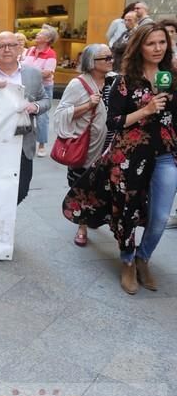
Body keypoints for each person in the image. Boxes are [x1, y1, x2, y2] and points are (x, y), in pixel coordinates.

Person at [63, 23, 176, 295]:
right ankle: (127, 261)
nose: (158, 48)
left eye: (162, 42)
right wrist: (146, 110)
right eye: (151, 43)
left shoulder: (172, 77)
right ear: (140, 47)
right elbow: (113, 120)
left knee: (160, 216)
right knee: (127, 211)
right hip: (129, 157)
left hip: (165, 155)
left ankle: (143, 257)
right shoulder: (124, 81)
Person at [0, 32, 50, 205]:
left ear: (20, 49)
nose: (6, 50)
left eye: (12, 45)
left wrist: (35, 107)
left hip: (23, 143)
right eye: (1, 46)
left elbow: (45, 100)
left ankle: (3, 215)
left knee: (21, 190)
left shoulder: (33, 74)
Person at [52, 44, 112, 247]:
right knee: (82, 186)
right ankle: (82, 226)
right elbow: (61, 114)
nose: (111, 60)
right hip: (85, 147)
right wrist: (88, 105)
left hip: (111, 144)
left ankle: (95, 216)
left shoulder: (115, 81)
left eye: (111, 57)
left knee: (105, 186)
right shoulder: (78, 84)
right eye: (105, 58)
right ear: (90, 62)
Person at [22, 25, 59, 157]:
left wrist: (29, 73)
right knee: (25, 113)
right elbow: (22, 66)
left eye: (41, 34)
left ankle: (42, 144)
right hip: (27, 86)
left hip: (44, 87)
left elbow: (47, 73)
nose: (37, 35)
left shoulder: (51, 54)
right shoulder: (30, 50)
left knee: (42, 117)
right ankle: (25, 141)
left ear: (48, 39)